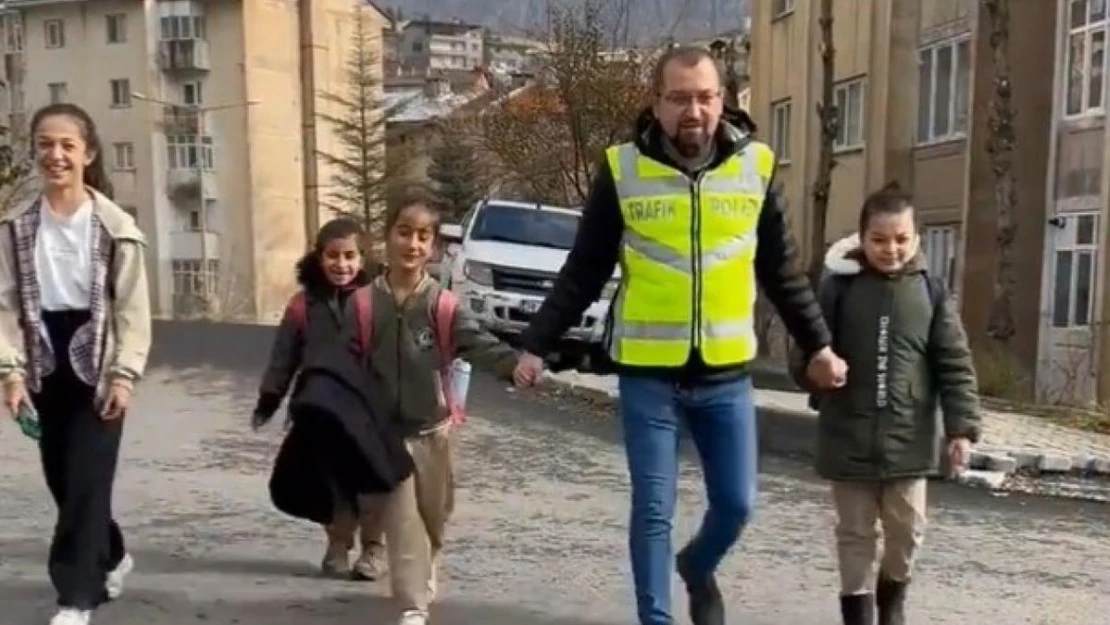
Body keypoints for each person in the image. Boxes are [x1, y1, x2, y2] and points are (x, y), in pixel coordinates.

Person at [513, 47, 848, 625]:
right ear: (656, 103)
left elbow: (782, 271)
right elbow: (584, 271)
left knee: (737, 504)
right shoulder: (622, 169)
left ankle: (697, 565)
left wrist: (818, 345)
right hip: (649, 375)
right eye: (678, 98)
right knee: (653, 509)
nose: (692, 110)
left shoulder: (756, 167)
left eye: (704, 96)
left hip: (725, 375)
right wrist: (535, 344)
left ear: (723, 101)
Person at [799, 182, 980, 625]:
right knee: (855, 533)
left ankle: (892, 594)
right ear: (862, 239)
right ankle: (858, 611)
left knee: (908, 528)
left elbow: (955, 363)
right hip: (848, 433)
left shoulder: (930, 292)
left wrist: (961, 430)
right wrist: (815, 369)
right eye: (879, 240)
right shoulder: (838, 288)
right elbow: (805, 351)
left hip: (909, 440)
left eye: (901, 239)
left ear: (916, 238)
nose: (891, 249)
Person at [0, 103, 151, 625]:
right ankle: (111, 553)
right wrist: (11, 373)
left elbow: (132, 308)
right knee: (63, 480)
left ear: (88, 153)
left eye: (67, 145)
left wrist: (124, 374)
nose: (56, 155)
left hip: (100, 362)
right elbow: (6, 304)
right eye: (46, 143)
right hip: (44, 360)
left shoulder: (115, 227)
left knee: (88, 476)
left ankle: (76, 596)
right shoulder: (17, 226)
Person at [366, 194, 521, 625]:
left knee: (434, 515)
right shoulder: (364, 303)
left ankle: (424, 568)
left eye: (422, 236)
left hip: (433, 430)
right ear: (387, 237)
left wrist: (516, 366)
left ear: (433, 247)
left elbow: (477, 343)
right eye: (403, 233)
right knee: (402, 518)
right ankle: (412, 604)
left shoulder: (442, 305)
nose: (412, 244)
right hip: (386, 434)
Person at [251, 217, 389, 581]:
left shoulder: (380, 299)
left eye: (349, 256)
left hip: (370, 408)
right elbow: (285, 355)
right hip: (322, 411)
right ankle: (338, 544)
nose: (340, 265)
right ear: (319, 257)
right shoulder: (303, 304)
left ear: (363, 258)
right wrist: (270, 397)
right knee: (334, 481)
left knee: (373, 480)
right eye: (332, 256)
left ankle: (374, 548)